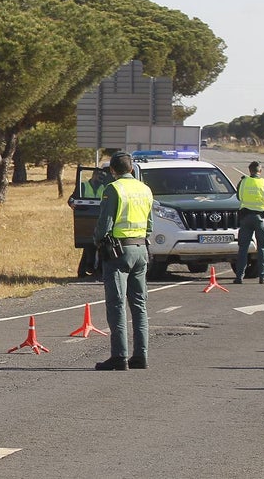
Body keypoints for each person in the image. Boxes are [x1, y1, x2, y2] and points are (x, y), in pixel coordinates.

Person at [93, 151, 153, 371]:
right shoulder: (145, 189)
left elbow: (105, 223)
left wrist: (98, 242)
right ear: (131, 168)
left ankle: (119, 356)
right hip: (141, 249)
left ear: (112, 170)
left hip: (119, 252)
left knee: (117, 304)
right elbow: (150, 223)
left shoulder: (113, 189)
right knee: (139, 305)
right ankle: (141, 356)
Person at [68, 168, 109, 278]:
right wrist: (72, 203)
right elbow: (72, 198)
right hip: (87, 217)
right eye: (99, 176)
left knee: (101, 246)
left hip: (100, 218)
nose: (100, 179)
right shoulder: (83, 186)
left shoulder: (105, 187)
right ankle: (83, 271)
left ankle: (98, 271)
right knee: (88, 246)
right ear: (94, 175)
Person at [233, 161, 264, 284]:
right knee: (262, 248)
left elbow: (239, 197)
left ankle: (239, 277)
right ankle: (263, 277)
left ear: (250, 170)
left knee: (243, 248)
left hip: (246, 217)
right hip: (260, 218)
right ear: (261, 171)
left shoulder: (243, 181)